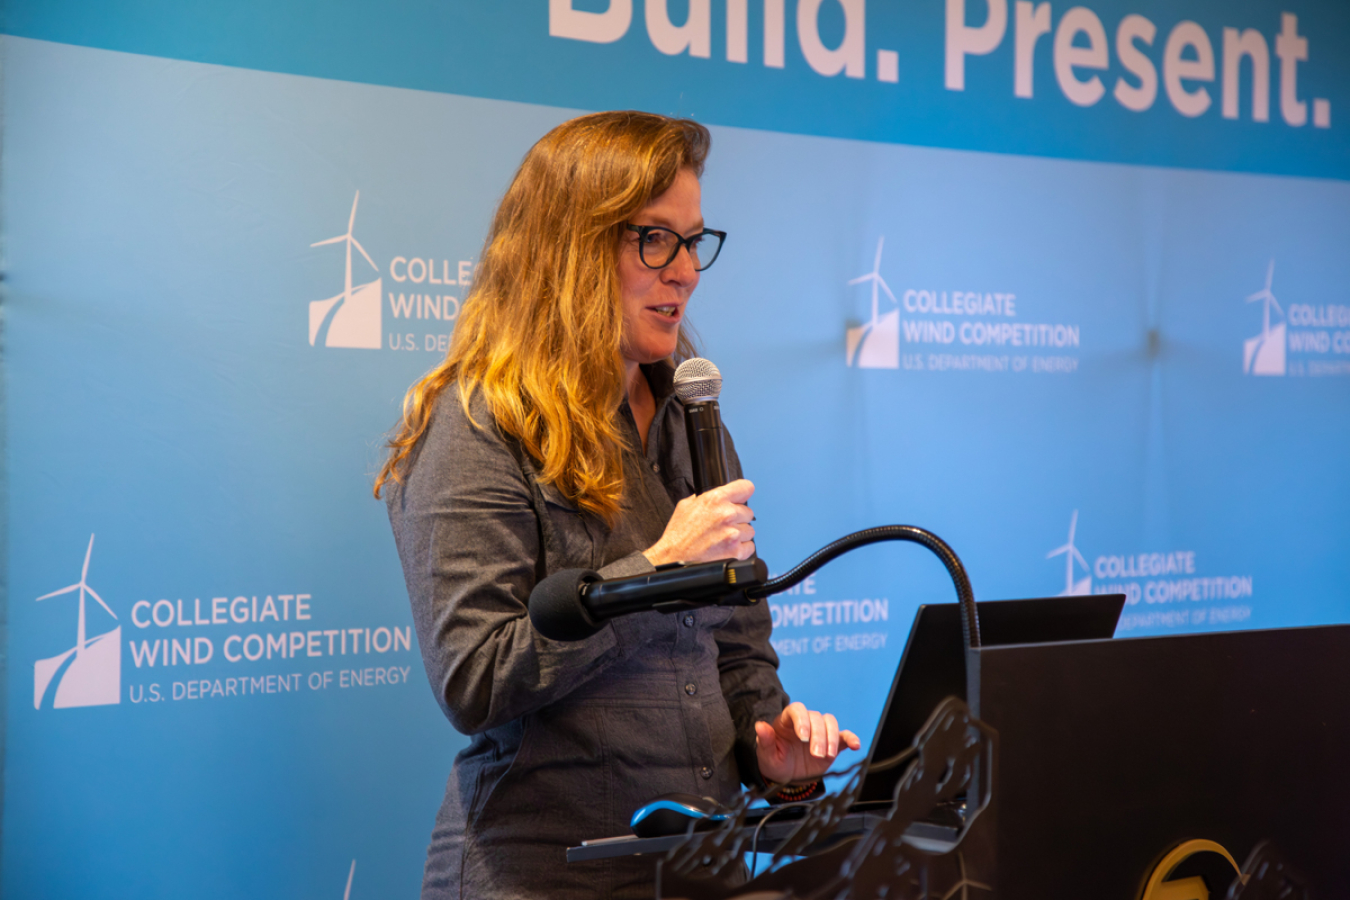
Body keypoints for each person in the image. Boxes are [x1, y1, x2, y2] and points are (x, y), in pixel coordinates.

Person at [375, 110, 860, 900]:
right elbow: (474, 678)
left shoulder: (692, 413)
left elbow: (734, 649)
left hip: (705, 867)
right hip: (545, 875)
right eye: (655, 240)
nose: (686, 272)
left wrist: (770, 750)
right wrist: (657, 569)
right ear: (570, 247)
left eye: (693, 241)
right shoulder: (473, 424)